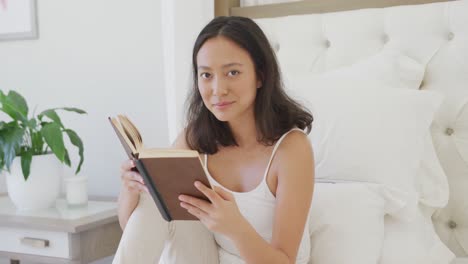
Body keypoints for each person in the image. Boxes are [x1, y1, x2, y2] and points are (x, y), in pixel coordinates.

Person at [115, 16, 315, 264]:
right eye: (206, 75)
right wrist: (130, 190)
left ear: (260, 75)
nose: (218, 89)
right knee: (155, 197)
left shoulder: (291, 149)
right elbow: (140, 234)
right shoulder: (196, 137)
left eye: (232, 72)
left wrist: (235, 227)